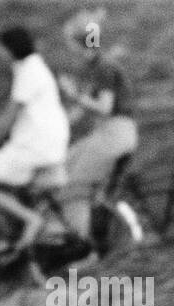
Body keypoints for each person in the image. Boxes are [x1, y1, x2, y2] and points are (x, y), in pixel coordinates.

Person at [0, 26, 70, 255]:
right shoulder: (30, 68)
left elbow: (6, 121)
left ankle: (30, 220)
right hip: (47, 142)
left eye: (0, 49)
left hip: (34, 145)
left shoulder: (29, 72)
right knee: (3, 185)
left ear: (9, 49)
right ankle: (12, 244)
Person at [58, 8, 137, 242]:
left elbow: (104, 107)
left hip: (114, 134)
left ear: (78, 42)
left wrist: (74, 95)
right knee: (63, 167)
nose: (68, 47)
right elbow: (80, 112)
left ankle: (82, 248)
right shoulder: (96, 67)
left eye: (70, 42)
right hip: (109, 133)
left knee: (74, 188)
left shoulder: (103, 67)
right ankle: (77, 235)